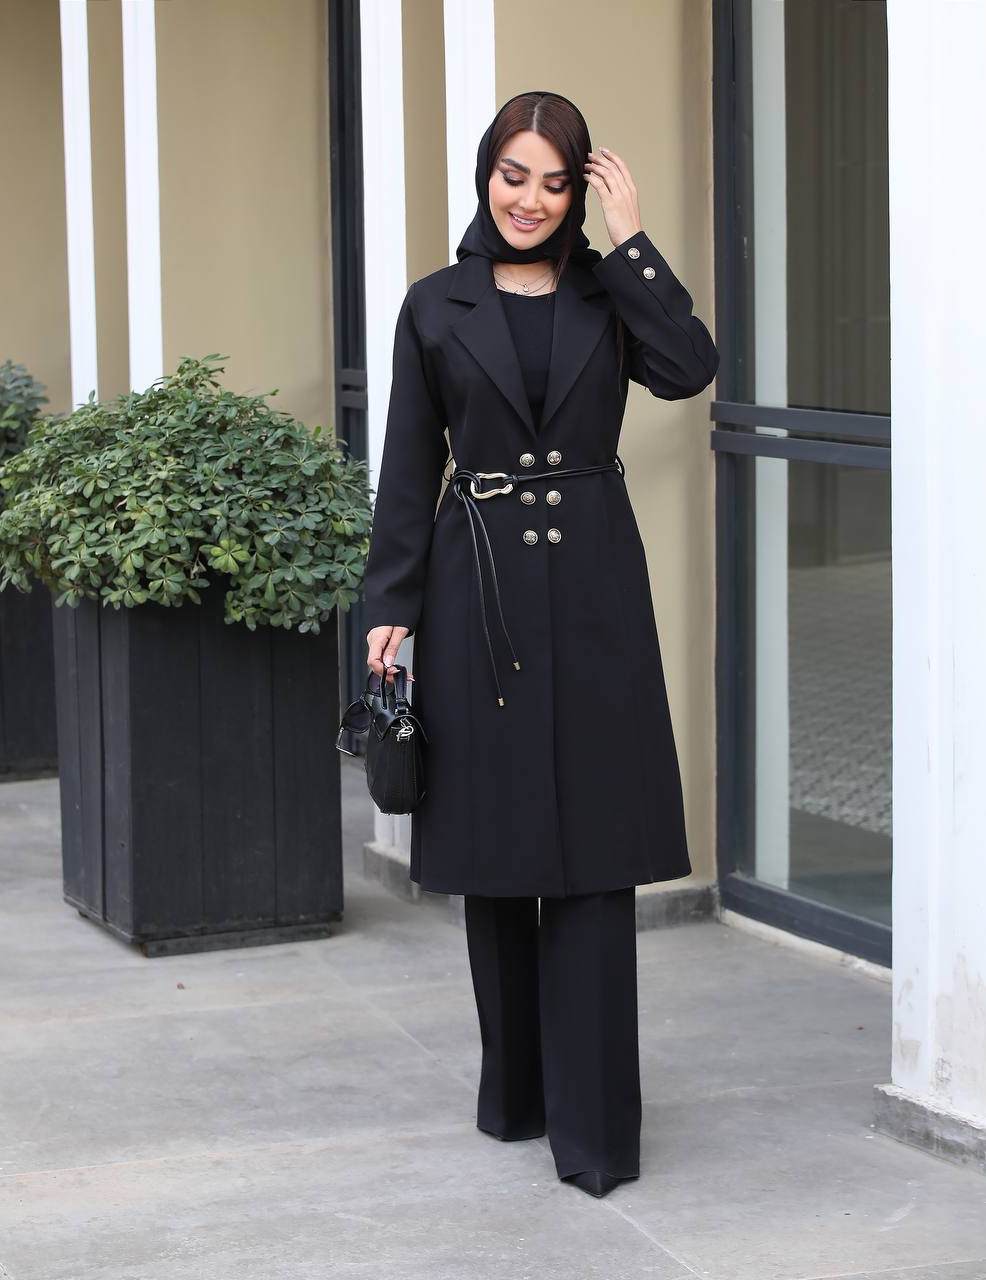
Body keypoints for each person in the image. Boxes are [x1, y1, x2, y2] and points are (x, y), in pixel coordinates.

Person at [361, 90, 719, 1197]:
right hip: (476, 594)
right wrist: (390, 606)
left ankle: (596, 1133)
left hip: (596, 592)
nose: (531, 199)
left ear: (579, 192)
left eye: (556, 182)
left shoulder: (609, 290)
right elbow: (409, 465)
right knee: (499, 846)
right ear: (486, 176)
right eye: (513, 175)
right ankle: (514, 1093)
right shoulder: (436, 304)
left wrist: (633, 239)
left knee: (594, 857)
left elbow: (689, 367)